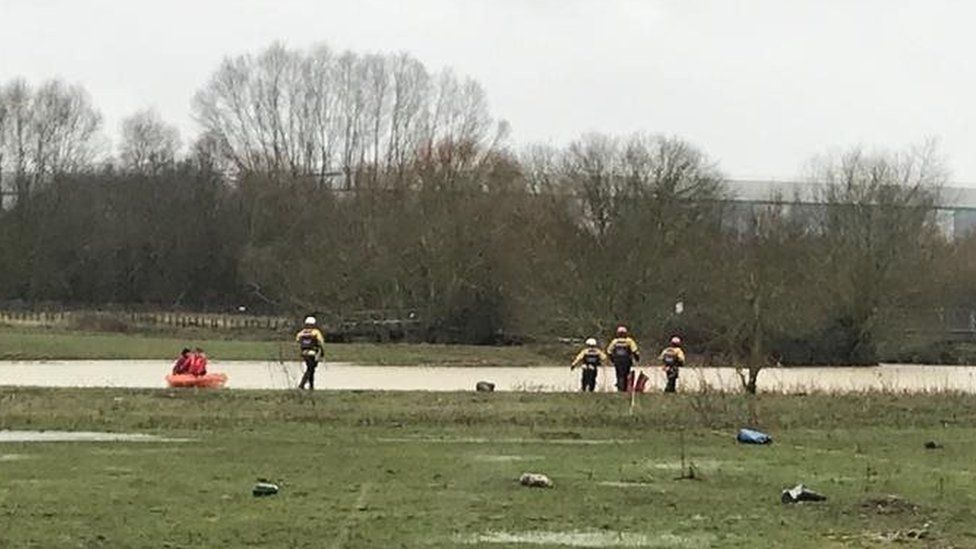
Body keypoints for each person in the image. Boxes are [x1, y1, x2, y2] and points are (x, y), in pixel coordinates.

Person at [606, 326, 640, 392]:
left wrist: (612, 359)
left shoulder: (615, 341)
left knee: (619, 374)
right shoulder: (629, 341)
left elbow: (609, 351)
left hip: (617, 360)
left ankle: (620, 387)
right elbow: (634, 351)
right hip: (626, 360)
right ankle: (624, 388)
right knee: (626, 374)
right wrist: (637, 358)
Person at [296, 316, 325, 390]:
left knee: (310, 369)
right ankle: (303, 385)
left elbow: (298, 340)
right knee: (311, 369)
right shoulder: (316, 332)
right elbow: (321, 342)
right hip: (313, 353)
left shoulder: (301, 333)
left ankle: (310, 386)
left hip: (304, 353)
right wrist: (322, 352)